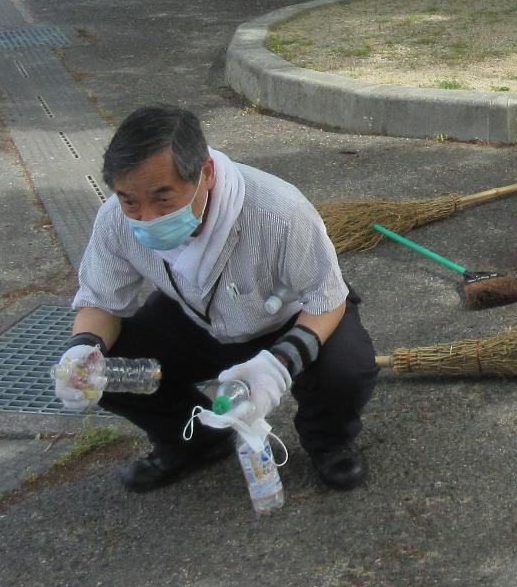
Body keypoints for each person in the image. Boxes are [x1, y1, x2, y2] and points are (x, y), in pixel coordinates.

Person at [50, 105, 378, 493]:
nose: (146, 217)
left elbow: (327, 298)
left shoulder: (279, 211)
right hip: (199, 319)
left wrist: (281, 362)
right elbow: (101, 302)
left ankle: (329, 442)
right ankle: (193, 440)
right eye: (130, 200)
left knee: (346, 368)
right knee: (105, 366)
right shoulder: (115, 221)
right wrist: (80, 349)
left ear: (205, 173)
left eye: (163, 199)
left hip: (287, 319)